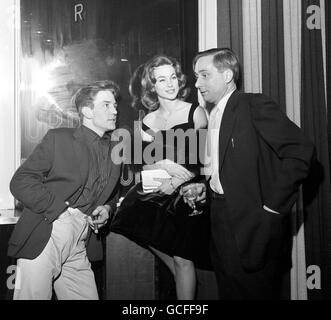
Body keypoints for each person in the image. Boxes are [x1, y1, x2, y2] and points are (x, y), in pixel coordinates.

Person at [181, 48, 315, 300]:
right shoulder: (214, 115)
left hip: (253, 227)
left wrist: (272, 209)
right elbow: (230, 169)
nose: (197, 83)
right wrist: (207, 188)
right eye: (196, 76)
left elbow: (301, 152)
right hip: (220, 221)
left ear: (228, 74)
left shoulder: (253, 105)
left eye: (204, 75)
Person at [8, 80, 122, 300]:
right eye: (106, 105)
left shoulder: (115, 150)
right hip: (47, 231)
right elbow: (21, 181)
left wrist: (106, 209)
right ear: (87, 111)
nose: (115, 110)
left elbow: (112, 192)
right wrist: (58, 209)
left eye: (115, 105)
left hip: (81, 237)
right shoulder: (59, 138)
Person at [110, 55, 210, 300]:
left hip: (187, 194)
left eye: (173, 77)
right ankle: (182, 282)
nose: (170, 84)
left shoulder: (195, 113)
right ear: (152, 86)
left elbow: (204, 163)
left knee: (183, 259)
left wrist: (175, 181)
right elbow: (144, 163)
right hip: (157, 191)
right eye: (162, 79)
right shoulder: (146, 121)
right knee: (128, 215)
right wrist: (162, 163)